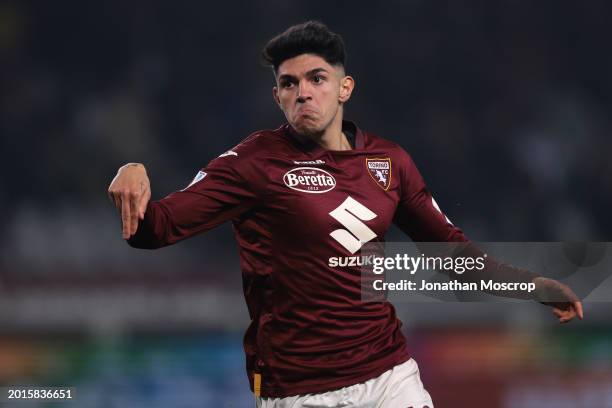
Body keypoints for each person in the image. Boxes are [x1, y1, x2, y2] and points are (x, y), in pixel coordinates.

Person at [107, 21, 583, 408]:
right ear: (277, 98)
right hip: (299, 390)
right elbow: (155, 230)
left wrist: (533, 287)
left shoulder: (390, 163)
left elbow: (452, 252)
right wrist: (133, 169)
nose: (303, 93)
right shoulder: (252, 164)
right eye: (289, 84)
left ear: (344, 88)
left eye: (316, 79)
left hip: (390, 375)